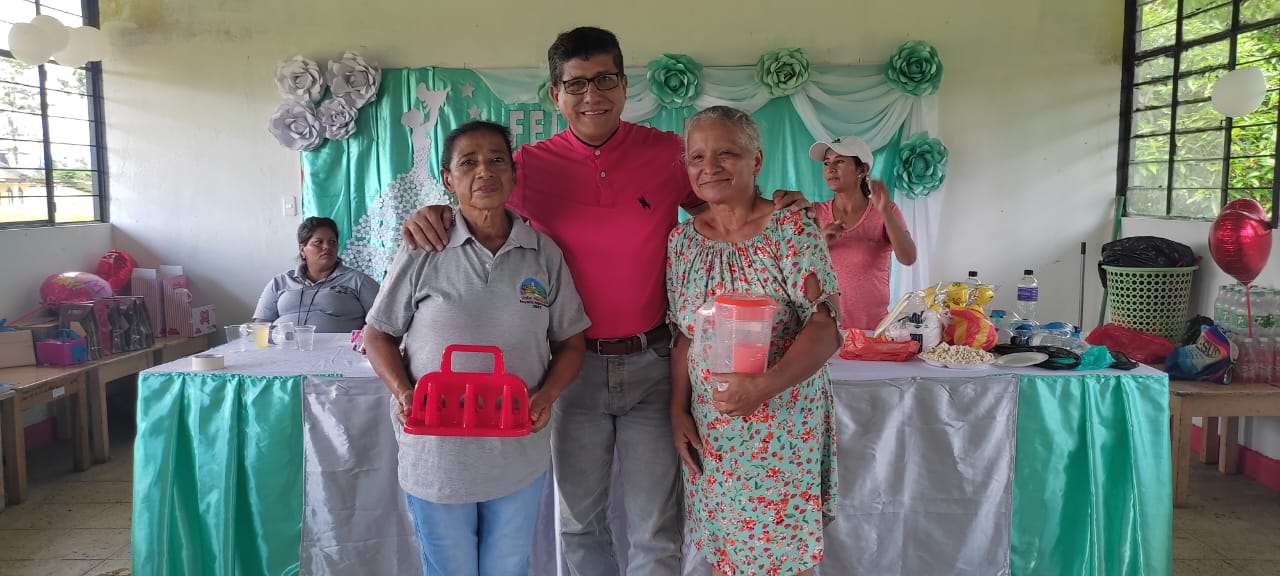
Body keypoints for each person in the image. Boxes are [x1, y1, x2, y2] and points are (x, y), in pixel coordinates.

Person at [400, 27, 808, 576]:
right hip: (572, 370)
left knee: (656, 525)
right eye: (576, 84)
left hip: (654, 366)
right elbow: (476, 196)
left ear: (624, 85)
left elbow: (722, 206)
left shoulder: (667, 154)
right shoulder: (526, 166)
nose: (591, 95)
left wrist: (775, 202)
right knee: (579, 523)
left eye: (604, 80)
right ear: (555, 94)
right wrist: (434, 212)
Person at [363, 120, 590, 576]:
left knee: (508, 566)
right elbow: (378, 334)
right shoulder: (423, 249)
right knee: (451, 569)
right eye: (468, 162)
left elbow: (571, 343)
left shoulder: (542, 253)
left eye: (497, 160)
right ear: (448, 180)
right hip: (438, 456)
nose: (484, 171)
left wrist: (546, 396)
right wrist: (405, 394)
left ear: (513, 174)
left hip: (516, 451)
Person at [667, 106, 840, 576]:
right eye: (697, 157)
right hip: (714, 431)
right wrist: (678, 410)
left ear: (756, 160)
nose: (709, 167)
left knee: (781, 559)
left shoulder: (790, 228)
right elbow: (683, 336)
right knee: (725, 555)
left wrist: (763, 387)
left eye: (726, 153)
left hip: (780, 429)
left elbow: (826, 326)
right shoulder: (682, 242)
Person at [808, 135, 917, 330]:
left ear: (862, 170)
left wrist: (884, 212)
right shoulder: (814, 212)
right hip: (824, 331)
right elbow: (796, 269)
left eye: (839, 161)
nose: (830, 169)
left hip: (871, 330)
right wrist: (822, 241)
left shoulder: (886, 210)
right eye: (826, 163)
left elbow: (908, 258)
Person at [253, 216, 380, 333]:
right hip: (284, 347)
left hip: (340, 349)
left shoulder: (358, 281)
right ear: (302, 250)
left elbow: (382, 321)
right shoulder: (280, 281)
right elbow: (261, 324)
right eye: (318, 242)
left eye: (332, 242)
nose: (327, 247)